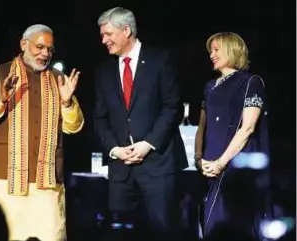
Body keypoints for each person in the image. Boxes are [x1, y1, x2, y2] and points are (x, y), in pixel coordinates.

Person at [0, 24, 84, 241]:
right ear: (24, 44)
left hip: (46, 186)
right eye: (40, 47)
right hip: (5, 184)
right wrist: (1, 100)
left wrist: (67, 101)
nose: (45, 54)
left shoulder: (59, 79)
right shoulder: (0, 74)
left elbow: (74, 126)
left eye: (50, 50)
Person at [94, 7, 188, 240]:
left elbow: (172, 107)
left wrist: (148, 143)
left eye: (108, 34)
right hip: (120, 170)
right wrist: (115, 149)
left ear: (126, 30)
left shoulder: (160, 60)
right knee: (119, 234)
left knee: (162, 232)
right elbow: (99, 117)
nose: (103, 40)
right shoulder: (104, 70)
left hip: (158, 165)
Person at [194, 32, 272, 240]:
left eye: (217, 49)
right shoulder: (209, 87)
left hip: (235, 165)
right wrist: (199, 158)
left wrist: (221, 162)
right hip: (210, 165)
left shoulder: (250, 82)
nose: (212, 54)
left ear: (232, 49)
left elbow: (247, 128)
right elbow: (202, 126)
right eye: (211, 50)